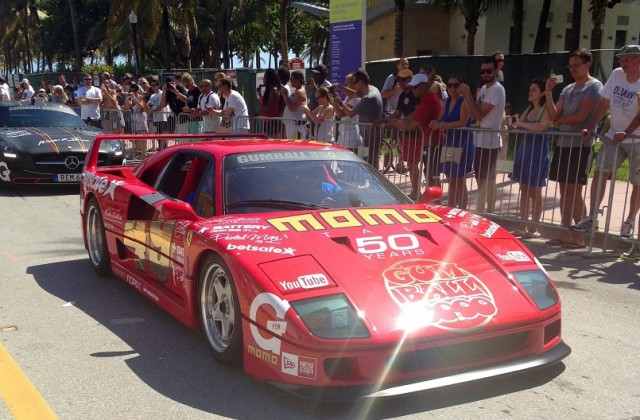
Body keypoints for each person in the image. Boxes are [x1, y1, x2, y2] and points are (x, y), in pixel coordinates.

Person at [572, 45, 640, 252]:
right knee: (600, 171)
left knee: (637, 182)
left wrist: (627, 132)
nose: (621, 62)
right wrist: (591, 125)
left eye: (625, 59)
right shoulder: (617, 75)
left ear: (637, 60)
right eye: (621, 59)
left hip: (636, 137)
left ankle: (629, 221)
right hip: (614, 135)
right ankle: (592, 215)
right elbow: (603, 102)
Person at [544, 48, 603, 248]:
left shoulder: (594, 86)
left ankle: (580, 237)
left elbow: (581, 117)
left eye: (576, 65)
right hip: (563, 144)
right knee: (564, 189)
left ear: (587, 64)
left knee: (575, 190)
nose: (572, 69)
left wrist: (559, 121)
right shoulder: (568, 89)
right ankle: (564, 232)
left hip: (581, 145)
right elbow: (553, 115)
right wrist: (548, 92)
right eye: (570, 66)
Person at [459, 57, 506, 213]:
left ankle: (491, 212)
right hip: (479, 140)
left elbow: (479, 114)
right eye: (482, 71)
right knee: (480, 178)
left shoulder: (497, 89)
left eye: (488, 71)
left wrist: (468, 96)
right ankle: (483, 210)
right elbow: (473, 114)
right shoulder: (485, 89)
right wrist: (466, 98)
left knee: (488, 180)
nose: (485, 74)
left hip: (490, 142)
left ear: (495, 71)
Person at [389, 73, 442, 200]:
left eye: (415, 87)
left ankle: (434, 201)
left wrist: (393, 123)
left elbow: (411, 125)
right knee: (428, 172)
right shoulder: (426, 99)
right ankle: (429, 198)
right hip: (428, 142)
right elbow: (411, 118)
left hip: (432, 142)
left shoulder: (428, 101)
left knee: (431, 174)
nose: (412, 90)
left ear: (423, 86)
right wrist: (395, 121)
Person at [510, 80, 552, 237]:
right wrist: (514, 124)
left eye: (534, 90)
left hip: (538, 152)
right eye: (530, 89)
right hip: (524, 151)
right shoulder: (527, 110)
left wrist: (521, 124)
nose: (530, 92)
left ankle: (534, 226)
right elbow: (520, 126)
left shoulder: (545, 109)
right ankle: (522, 224)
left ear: (541, 93)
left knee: (535, 190)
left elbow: (541, 127)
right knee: (524, 189)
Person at [431, 75, 474, 209]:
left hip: (462, 142)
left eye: (456, 85)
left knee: (459, 179)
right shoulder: (447, 102)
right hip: (449, 143)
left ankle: (461, 208)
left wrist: (442, 125)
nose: (452, 88)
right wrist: (436, 123)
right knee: (451, 177)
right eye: (450, 85)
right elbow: (442, 118)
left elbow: (462, 122)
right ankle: (452, 206)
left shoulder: (463, 101)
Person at [333, 69, 383, 166]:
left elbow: (350, 113)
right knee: (369, 162)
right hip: (369, 133)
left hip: (370, 136)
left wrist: (340, 101)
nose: (353, 86)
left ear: (360, 82)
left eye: (354, 83)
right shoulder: (373, 88)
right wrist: (341, 88)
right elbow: (356, 93)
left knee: (370, 164)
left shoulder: (368, 98)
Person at [336, 73, 362, 153]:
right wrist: (334, 100)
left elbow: (344, 113)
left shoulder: (358, 98)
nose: (345, 86)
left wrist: (340, 102)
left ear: (354, 84)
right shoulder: (347, 98)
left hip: (351, 138)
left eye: (347, 83)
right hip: (342, 136)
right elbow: (339, 114)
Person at [257, 69, 285, 137]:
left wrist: (260, 101)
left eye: (264, 77)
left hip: (272, 123)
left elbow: (269, 108)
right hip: (271, 122)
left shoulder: (273, 92)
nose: (263, 79)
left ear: (268, 79)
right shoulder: (273, 90)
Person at [280, 70, 307, 139]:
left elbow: (292, 108)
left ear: (298, 80)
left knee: (295, 148)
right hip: (293, 126)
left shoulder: (300, 92)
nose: (290, 81)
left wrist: (285, 95)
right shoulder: (297, 90)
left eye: (292, 79)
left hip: (296, 127)